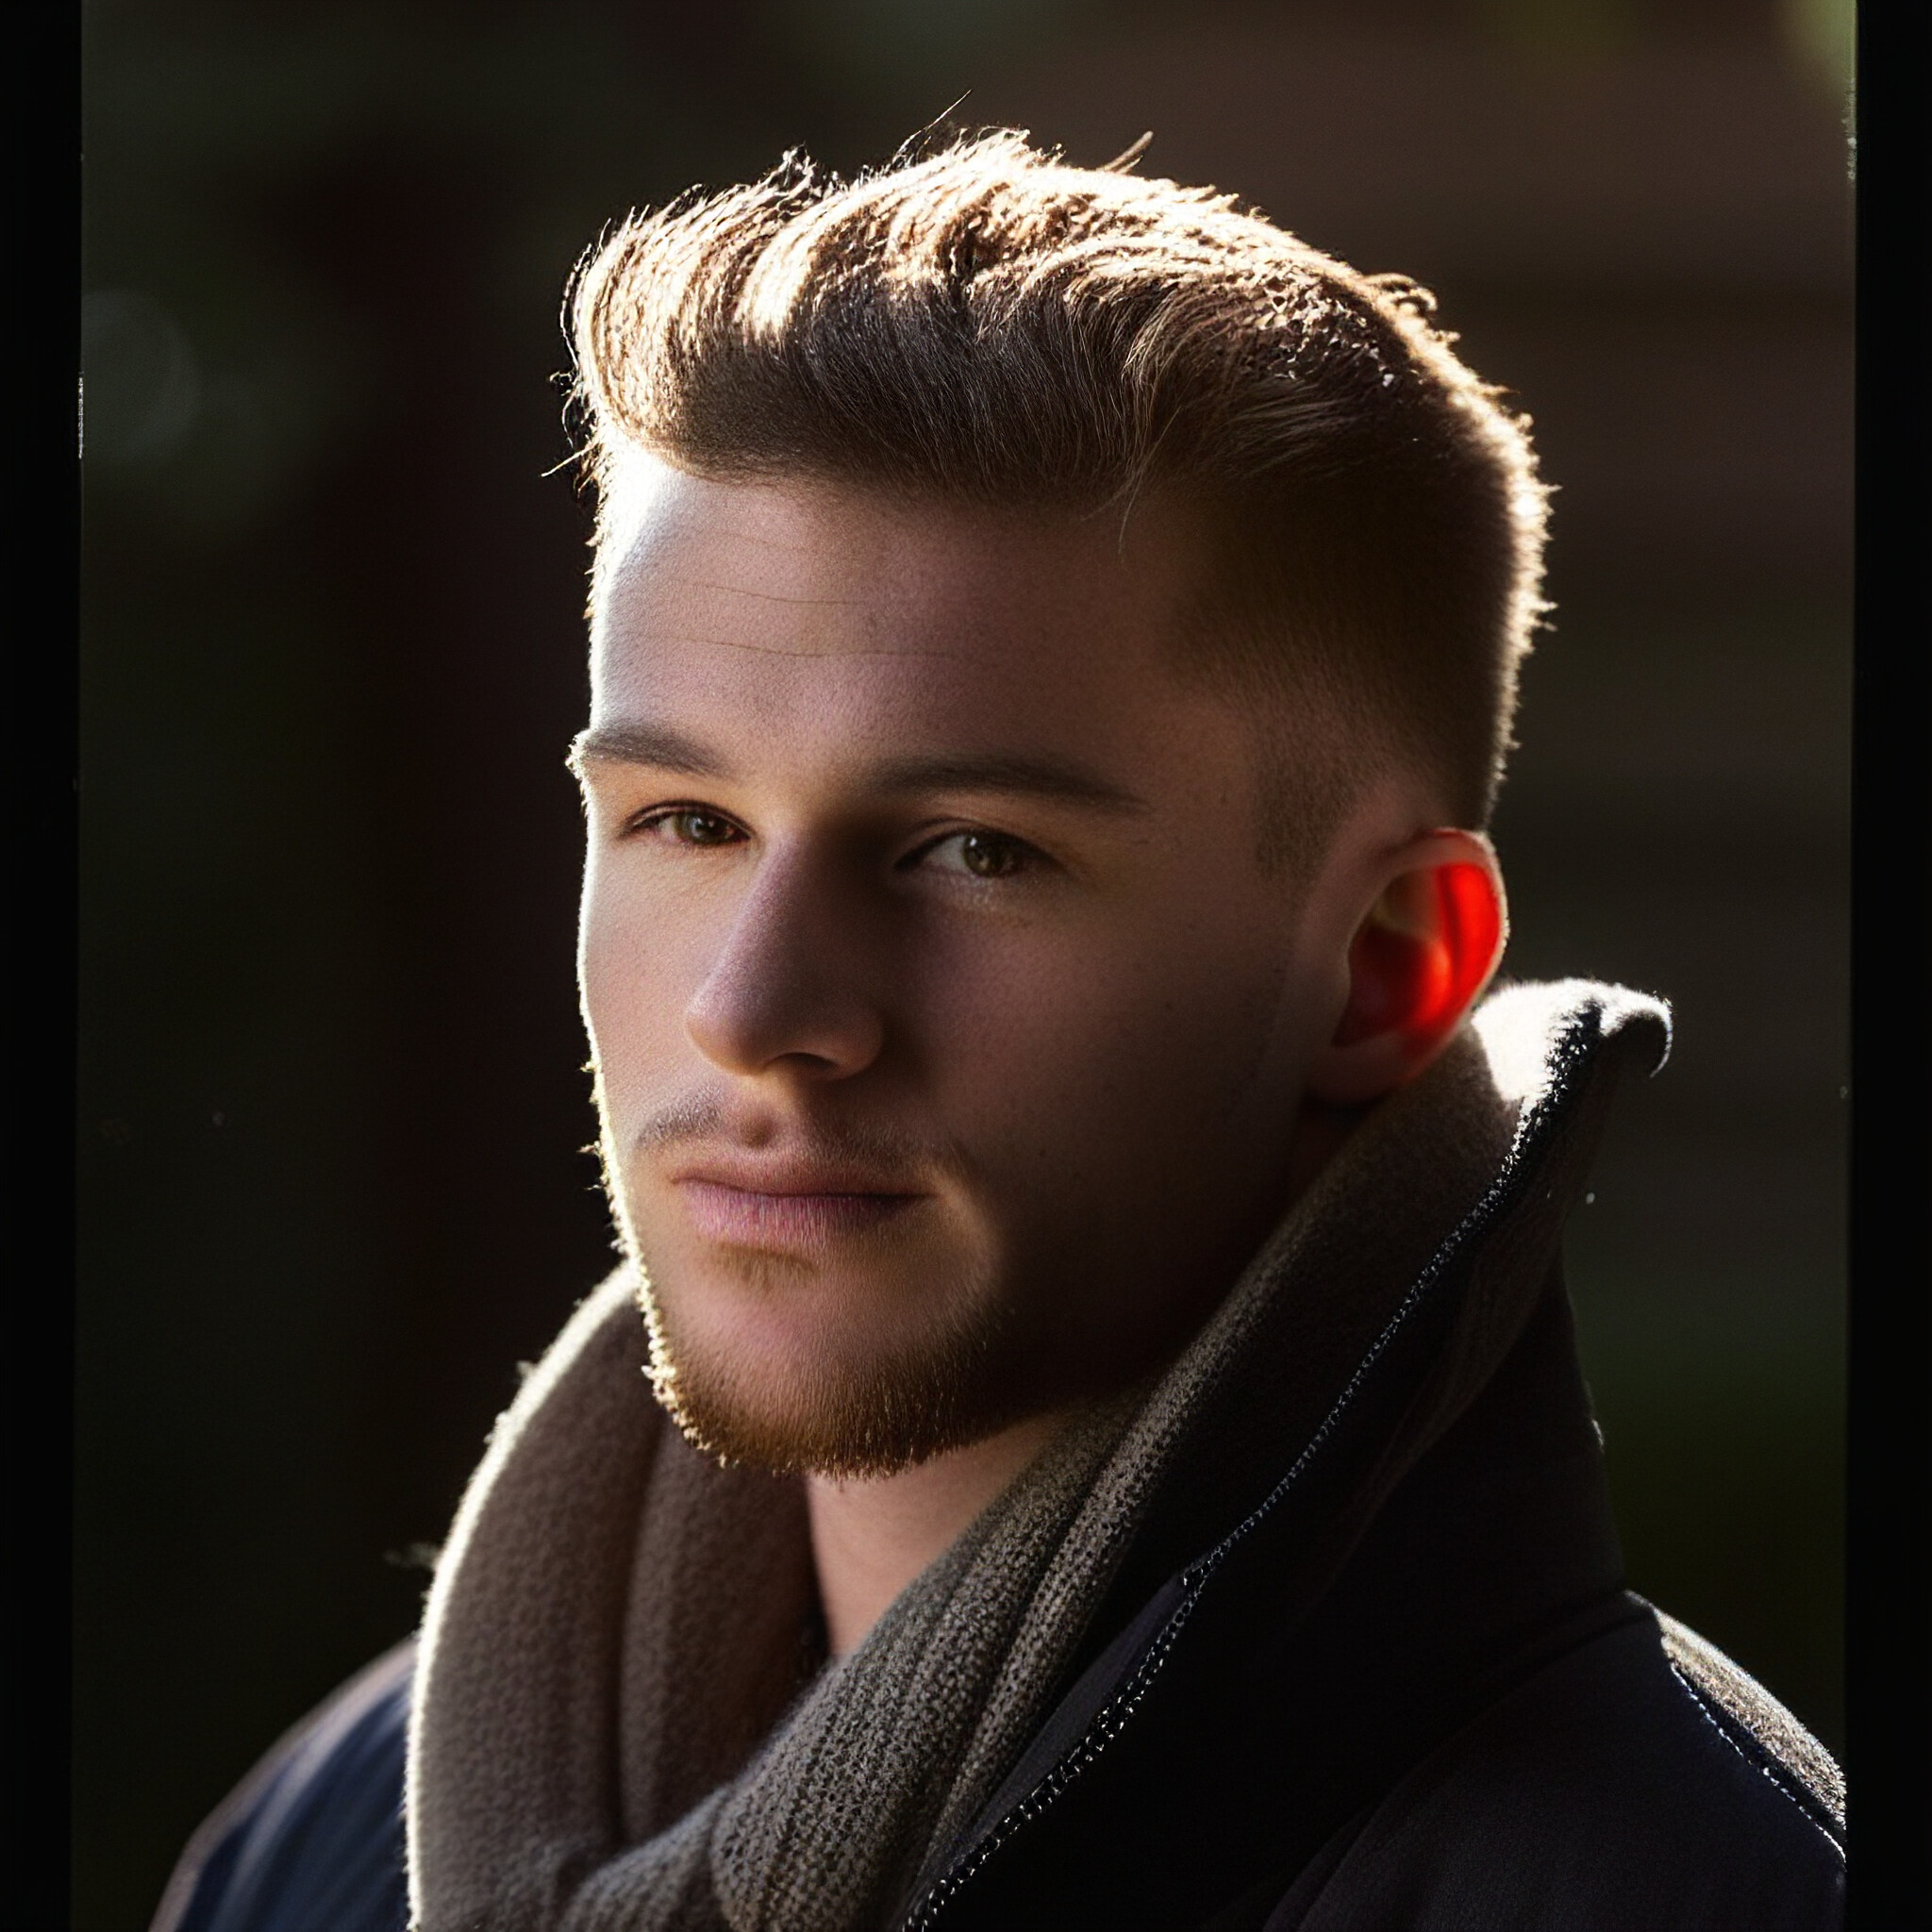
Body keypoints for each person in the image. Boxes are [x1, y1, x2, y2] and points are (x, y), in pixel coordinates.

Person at [153, 130, 1844, 1932]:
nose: (756, 1012)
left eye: (973, 852)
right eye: (687, 823)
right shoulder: (330, 1842)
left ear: (1381, 966)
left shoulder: (1671, 1894)